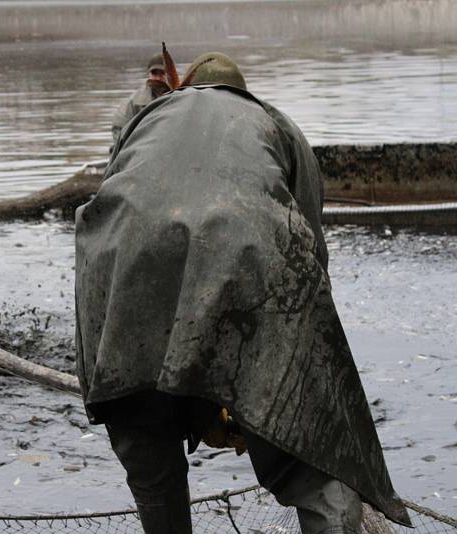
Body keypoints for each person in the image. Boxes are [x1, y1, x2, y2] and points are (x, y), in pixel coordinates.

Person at [75, 51, 413, 534]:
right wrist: (264, 388)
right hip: (250, 265)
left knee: (151, 462)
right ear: (243, 92)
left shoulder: (148, 118)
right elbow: (311, 254)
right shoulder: (274, 122)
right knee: (315, 461)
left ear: (186, 87)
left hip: (117, 287)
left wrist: (205, 389)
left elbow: (117, 204)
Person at [111, 53, 168, 146]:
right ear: (148, 74)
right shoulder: (134, 102)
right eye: (154, 73)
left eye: (162, 73)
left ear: (169, 74)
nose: (158, 77)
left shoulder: (180, 96)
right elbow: (118, 129)